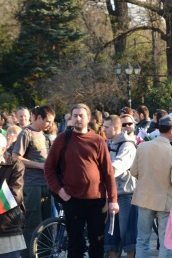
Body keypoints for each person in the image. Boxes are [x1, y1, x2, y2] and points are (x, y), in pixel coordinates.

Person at [44, 104, 119, 258]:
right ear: (71, 118)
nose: (78, 119)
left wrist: (113, 200)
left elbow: (108, 173)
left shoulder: (98, 140)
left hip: (97, 201)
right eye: (75, 116)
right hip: (73, 199)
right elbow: (49, 168)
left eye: (81, 116)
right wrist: (59, 189)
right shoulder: (62, 139)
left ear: (89, 118)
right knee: (75, 243)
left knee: (97, 242)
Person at [132, 115, 172, 258]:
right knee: (166, 241)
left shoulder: (142, 147)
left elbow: (133, 172)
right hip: (165, 200)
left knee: (142, 240)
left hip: (144, 197)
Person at [11, 105, 55, 258]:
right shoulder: (26, 133)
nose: (50, 124)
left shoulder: (43, 135)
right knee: (32, 225)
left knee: (47, 224)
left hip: (45, 184)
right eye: (47, 121)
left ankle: (45, 254)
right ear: (38, 117)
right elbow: (16, 157)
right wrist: (40, 165)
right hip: (32, 185)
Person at [102, 115, 138, 258]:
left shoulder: (127, 146)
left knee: (128, 235)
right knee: (111, 236)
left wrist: (96, 173)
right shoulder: (108, 144)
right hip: (111, 193)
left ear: (116, 128)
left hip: (126, 194)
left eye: (106, 127)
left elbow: (116, 168)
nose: (103, 130)